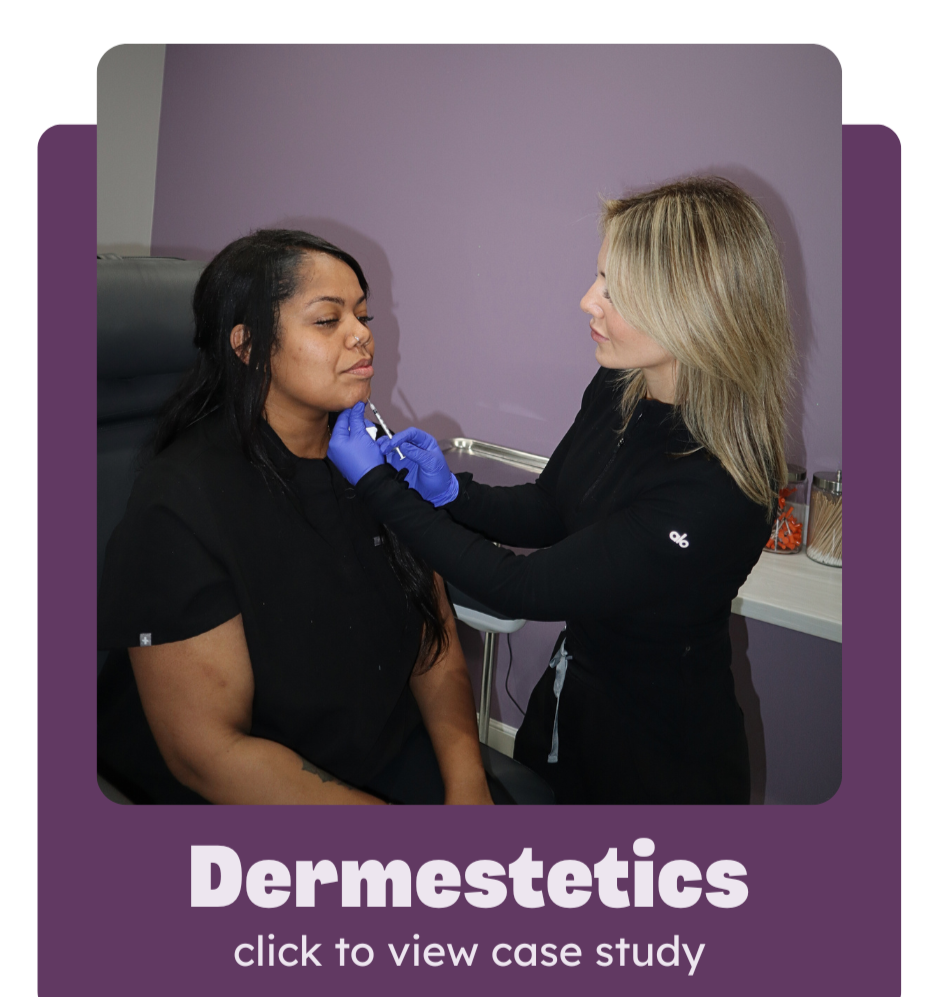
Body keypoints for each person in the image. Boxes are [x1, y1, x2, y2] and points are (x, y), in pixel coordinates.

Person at [326, 177, 794, 805]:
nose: (586, 301)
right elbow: (552, 509)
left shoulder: (716, 487)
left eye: (614, 290)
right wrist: (448, 494)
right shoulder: (622, 388)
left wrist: (379, 486)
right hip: (570, 705)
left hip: (661, 759)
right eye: (598, 277)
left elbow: (520, 587)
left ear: (694, 309)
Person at [97, 230, 497, 806]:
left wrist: (468, 789)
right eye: (328, 320)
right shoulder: (181, 504)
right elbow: (210, 753)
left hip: (383, 755)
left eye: (363, 315)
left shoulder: (369, 460)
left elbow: (432, 639)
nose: (363, 336)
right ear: (250, 346)